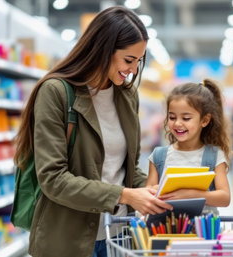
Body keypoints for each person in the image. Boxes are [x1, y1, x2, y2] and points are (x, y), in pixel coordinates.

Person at [13, 6, 172, 257]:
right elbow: (53, 179)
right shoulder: (55, 92)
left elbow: (127, 167)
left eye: (139, 61)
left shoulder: (127, 95)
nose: (133, 70)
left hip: (119, 237)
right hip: (68, 242)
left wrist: (158, 190)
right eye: (128, 60)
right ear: (103, 49)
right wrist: (126, 195)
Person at [145, 79, 233, 215]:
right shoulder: (158, 156)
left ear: (204, 120)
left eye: (186, 118)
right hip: (165, 232)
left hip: (204, 233)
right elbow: (148, 196)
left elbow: (224, 198)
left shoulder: (214, 156)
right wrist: (157, 191)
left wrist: (191, 194)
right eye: (172, 117)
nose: (178, 123)